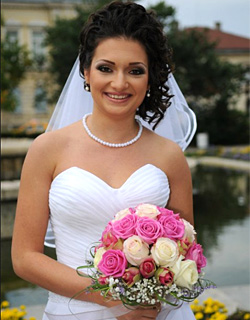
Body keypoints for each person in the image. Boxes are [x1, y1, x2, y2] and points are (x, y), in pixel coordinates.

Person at [11, 2, 197, 319]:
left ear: (150, 77)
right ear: (86, 71)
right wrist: (111, 297)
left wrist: (151, 294)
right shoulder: (47, 149)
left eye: (135, 70)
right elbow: (25, 257)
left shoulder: (170, 155)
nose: (120, 83)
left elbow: (187, 252)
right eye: (106, 68)